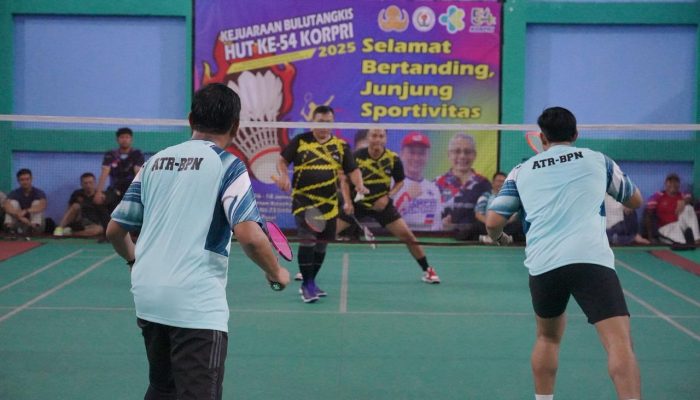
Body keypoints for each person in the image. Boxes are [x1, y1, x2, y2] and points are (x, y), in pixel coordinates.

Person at [105, 83, 290, 400]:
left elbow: (114, 231)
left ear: (191, 119)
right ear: (235, 127)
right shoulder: (229, 165)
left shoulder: (153, 163)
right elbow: (249, 235)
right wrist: (276, 272)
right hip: (195, 304)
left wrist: (133, 260)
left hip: (148, 297)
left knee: (163, 388)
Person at [486, 107, 642, 400]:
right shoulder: (599, 160)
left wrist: (501, 239)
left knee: (547, 337)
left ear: (542, 138)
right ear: (576, 134)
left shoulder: (521, 170)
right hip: (591, 260)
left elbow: (493, 221)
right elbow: (635, 200)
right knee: (619, 343)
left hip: (544, 264)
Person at [274, 105, 368, 303]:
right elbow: (282, 161)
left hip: (329, 205)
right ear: (312, 122)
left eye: (328, 122)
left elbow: (353, 170)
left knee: (322, 245)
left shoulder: (341, 146)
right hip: (304, 201)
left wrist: (359, 185)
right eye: (320, 122)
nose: (324, 126)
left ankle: (311, 281)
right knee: (308, 240)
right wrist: (284, 176)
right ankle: (307, 285)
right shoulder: (300, 141)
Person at [337, 128, 440, 283]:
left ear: (385, 139)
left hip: (382, 205)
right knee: (327, 234)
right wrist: (347, 202)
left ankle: (428, 270)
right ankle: (307, 271)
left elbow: (400, 182)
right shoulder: (355, 157)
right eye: (374, 136)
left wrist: (388, 196)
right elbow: (344, 181)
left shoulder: (393, 159)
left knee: (408, 236)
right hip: (357, 203)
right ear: (368, 138)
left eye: (381, 136)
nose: (377, 139)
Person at [436, 133, 491, 240]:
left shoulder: (484, 184)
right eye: (457, 151)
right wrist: (440, 224)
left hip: (473, 241)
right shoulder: (436, 184)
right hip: (442, 240)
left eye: (467, 152)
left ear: (474, 155)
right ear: (449, 154)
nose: (462, 156)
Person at [392, 132, 442, 231]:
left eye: (421, 153)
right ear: (401, 154)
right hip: (399, 237)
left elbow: (436, 224)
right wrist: (406, 197)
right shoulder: (391, 184)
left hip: (427, 238)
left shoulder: (433, 188)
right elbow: (385, 219)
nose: (416, 158)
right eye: (412, 152)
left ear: (427, 156)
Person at [95, 127, 145, 211]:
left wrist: (141, 192)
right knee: (99, 200)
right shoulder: (111, 154)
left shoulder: (137, 154)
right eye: (122, 137)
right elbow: (104, 173)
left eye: (127, 137)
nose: (124, 140)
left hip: (130, 191)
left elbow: (138, 173)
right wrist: (98, 192)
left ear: (131, 139)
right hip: (114, 190)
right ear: (117, 139)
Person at [644, 173, 699, 245]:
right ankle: (685, 242)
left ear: (679, 185)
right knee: (681, 244)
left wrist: (684, 202)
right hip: (665, 228)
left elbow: (690, 198)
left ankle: (697, 239)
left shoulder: (682, 195)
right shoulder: (658, 195)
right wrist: (650, 237)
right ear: (665, 184)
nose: (673, 184)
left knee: (689, 208)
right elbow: (648, 213)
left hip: (679, 225)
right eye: (670, 182)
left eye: (675, 182)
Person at [53, 172, 110, 237]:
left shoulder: (101, 196)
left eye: (90, 183)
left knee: (99, 229)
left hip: (94, 223)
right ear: (81, 184)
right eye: (85, 183)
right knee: (75, 206)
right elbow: (70, 209)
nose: (88, 185)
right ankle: (59, 228)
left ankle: (71, 234)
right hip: (79, 221)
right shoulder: (77, 193)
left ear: (95, 183)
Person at [474, 171, 524, 244]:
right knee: (475, 226)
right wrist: (490, 224)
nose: (500, 183)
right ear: (493, 183)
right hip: (487, 225)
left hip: (505, 225)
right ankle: (498, 239)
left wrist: (499, 224)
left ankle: (491, 239)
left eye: (503, 181)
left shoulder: (511, 197)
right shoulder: (485, 196)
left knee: (518, 226)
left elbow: (514, 216)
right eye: (498, 181)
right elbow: (478, 214)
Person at [3, 169, 47, 236]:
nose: (25, 182)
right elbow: (6, 206)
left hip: (34, 224)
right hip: (20, 222)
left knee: (37, 202)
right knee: (13, 203)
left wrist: (26, 211)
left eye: (27, 179)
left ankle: (34, 228)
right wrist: (18, 215)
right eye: (22, 180)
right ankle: (9, 228)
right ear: (18, 181)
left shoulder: (39, 192)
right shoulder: (14, 193)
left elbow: (42, 205)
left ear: (31, 179)